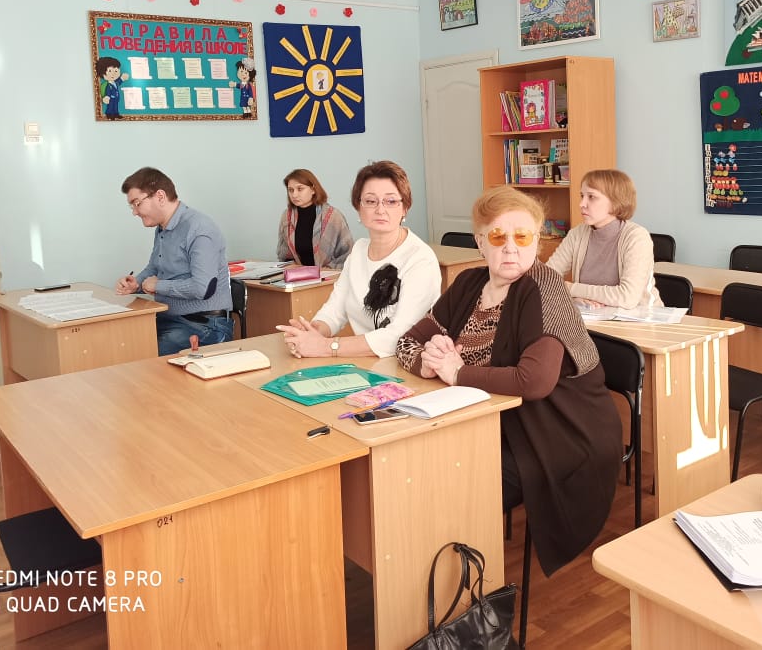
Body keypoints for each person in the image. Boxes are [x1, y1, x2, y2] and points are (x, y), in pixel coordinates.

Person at [397, 186, 621, 576]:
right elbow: (407, 341)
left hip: (558, 432)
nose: (511, 249)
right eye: (499, 237)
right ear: (480, 242)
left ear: (537, 241)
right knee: (415, 469)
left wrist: (457, 373)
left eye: (523, 237)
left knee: (452, 488)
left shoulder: (543, 286)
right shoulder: (469, 284)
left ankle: (463, 584)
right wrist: (429, 365)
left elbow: (534, 382)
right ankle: (424, 572)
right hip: (491, 419)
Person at [277, 160, 439, 358]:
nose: (380, 209)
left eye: (390, 201)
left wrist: (326, 346)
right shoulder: (359, 251)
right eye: (370, 201)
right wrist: (311, 333)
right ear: (358, 207)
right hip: (369, 362)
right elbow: (335, 310)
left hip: (410, 364)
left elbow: (400, 336)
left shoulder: (420, 259)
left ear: (405, 208)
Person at [115, 167, 233, 355]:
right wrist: (136, 284)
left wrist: (158, 286)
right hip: (171, 319)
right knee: (121, 341)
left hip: (205, 325)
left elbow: (203, 288)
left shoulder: (199, 228)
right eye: (132, 206)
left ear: (160, 197)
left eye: (137, 204)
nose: (134, 212)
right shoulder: (162, 228)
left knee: (143, 353)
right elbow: (155, 267)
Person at [546, 169, 658, 309]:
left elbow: (627, 298)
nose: (582, 204)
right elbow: (545, 280)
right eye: (582, 196)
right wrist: (573, 297)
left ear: (616, 201)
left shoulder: (637, 237)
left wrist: (570, 288)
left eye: (591, 197)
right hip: (593, 317)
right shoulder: (577, 234)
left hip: (642, 317)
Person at [275, 168, 353, 269]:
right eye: (291, 190)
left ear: (313, 189)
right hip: (298, 275)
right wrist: (292, 266)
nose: (294, 194)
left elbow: (348, 254)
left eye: (300, 189)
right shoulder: (287, 217)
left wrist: (325, 271)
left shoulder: (333, 216)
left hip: (330, 274)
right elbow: (284, 254)